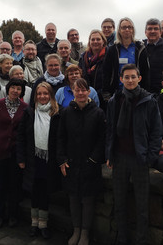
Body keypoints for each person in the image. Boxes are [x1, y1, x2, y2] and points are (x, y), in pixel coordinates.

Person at [105, 64, 162, 245]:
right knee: (120, 202)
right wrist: (110, 153)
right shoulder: (115, 101)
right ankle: (122, 238)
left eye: (133, 77)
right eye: (126, 77)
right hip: (120, 157)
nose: (130, 80)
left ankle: (141, 240)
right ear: (121, 79)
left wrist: (150, 157)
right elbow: (110, 130)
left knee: (142, 205)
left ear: (139, 78)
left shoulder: (149, 101)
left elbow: (156, 131)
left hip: (140, 158)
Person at [58, 78, 105, 245]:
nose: (80, 93)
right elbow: (61, 137)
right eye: (77, 90)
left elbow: (102, 140)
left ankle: (85, 233)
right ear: (73, 92)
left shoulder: (98, 113)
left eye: (83, 90)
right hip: (71, 162)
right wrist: (62, 160)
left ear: (89, 92)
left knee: (87, 199)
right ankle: (76, 229)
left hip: (89, 163)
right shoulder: (66, 112)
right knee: (73, 198)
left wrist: (93, 160)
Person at [16, 82, 62, 239]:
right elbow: (21, 136)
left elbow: (61, 138)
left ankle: (43, 224)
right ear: (35, 96)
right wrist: (21, 158)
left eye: (45, 93)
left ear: (51, 95)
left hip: (49, 160)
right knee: (34, 191)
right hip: (32, 158)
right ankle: (34, 223)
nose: (42, 96)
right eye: (39, 94)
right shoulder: (29, 112)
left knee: (45, 192)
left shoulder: (57, 113)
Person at [0, 78, 28, 228]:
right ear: (8, 89)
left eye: (19, 88)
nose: (16, 90)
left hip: (15, 153)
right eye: (13, 87)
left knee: (14, 186)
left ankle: (13, 215)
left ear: (22, 92)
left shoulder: (25, 107)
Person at [102, 17, 150, 100]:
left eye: (129, 27)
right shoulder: (113, 49)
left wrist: (145, 92)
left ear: (133, 30)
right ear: (119, 30)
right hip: (117, 92)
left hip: (137, 93)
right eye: (124, 27)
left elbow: (145, 72)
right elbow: (106, 72)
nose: (127, 29)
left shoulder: (140, 48)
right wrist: (107, 92)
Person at [78, 29, 107, 94]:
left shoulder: (109, 55)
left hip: (104, 95)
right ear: (89, 42)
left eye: (98, 39)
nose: (95, 41)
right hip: (86, 94)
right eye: (93, 39)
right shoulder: (83, 57)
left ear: (103, 41)